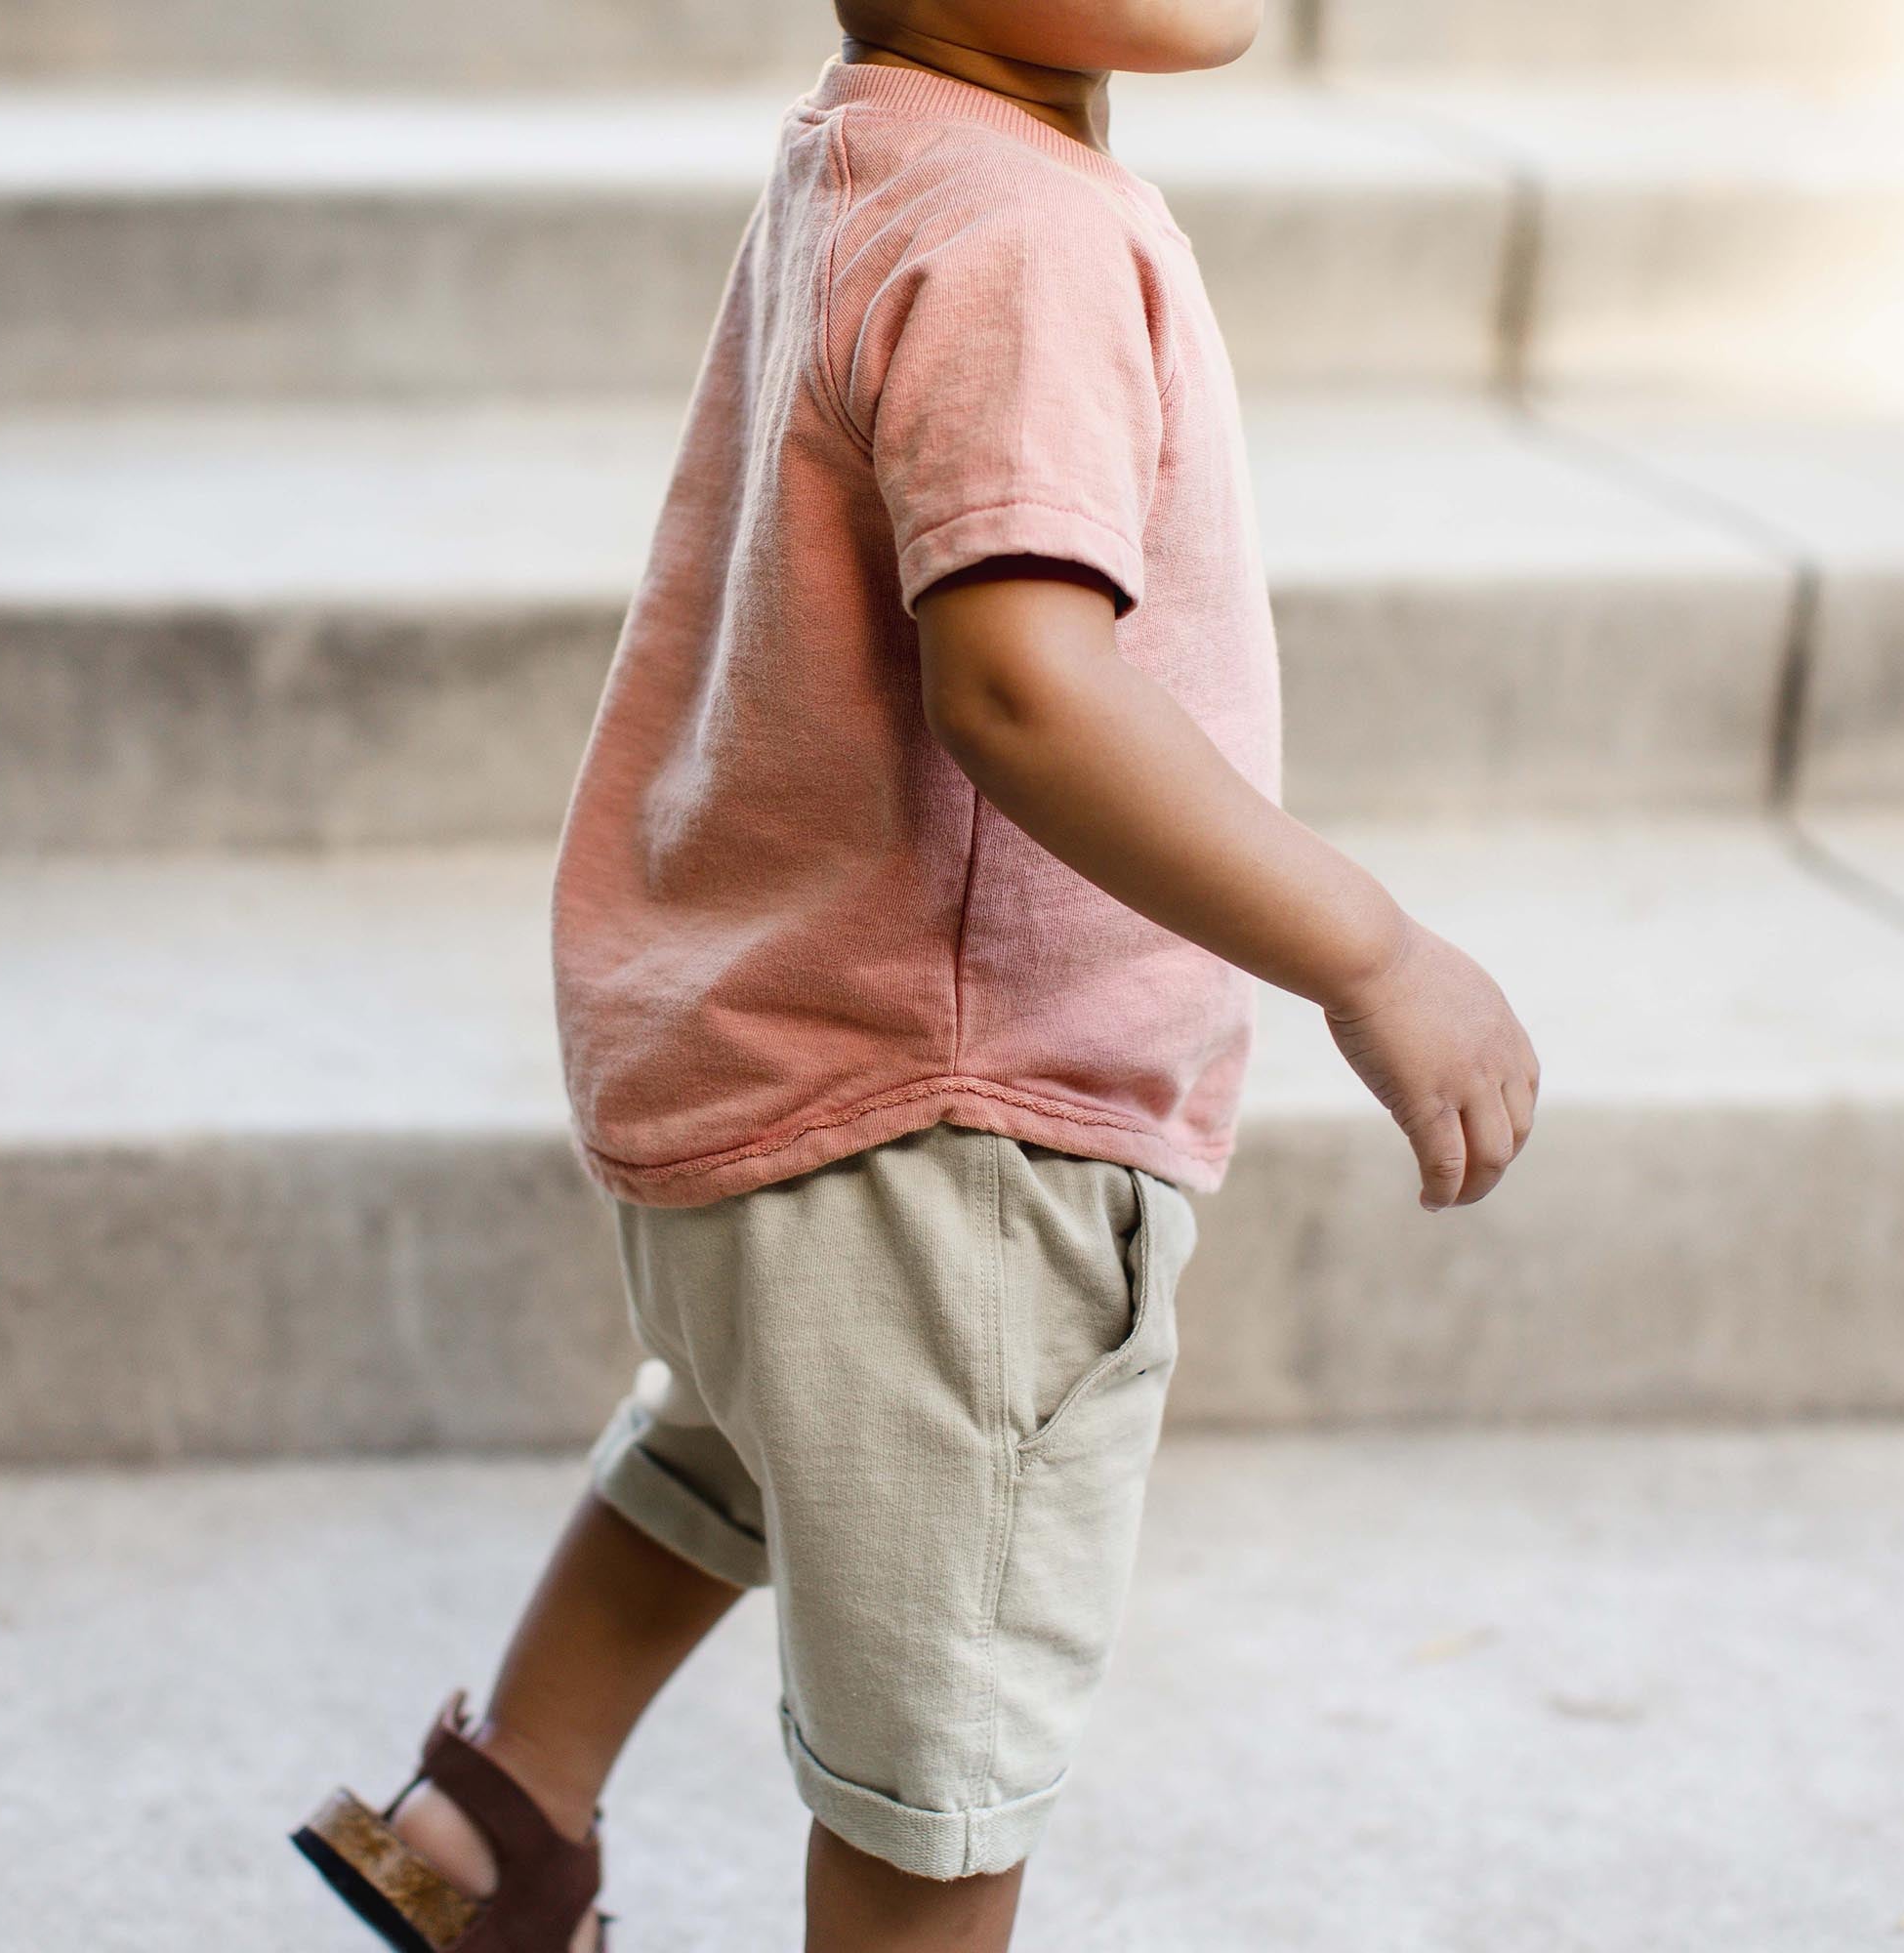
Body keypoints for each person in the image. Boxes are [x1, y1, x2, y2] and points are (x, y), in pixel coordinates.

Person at [291, 4, 1540, 1948]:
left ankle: (483, 1828)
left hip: (785, 1081)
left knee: (735, 1436)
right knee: (937, 1739)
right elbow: (1023, 686)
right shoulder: (1023, 234)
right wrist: (1367, 949)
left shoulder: (868, 156)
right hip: (950, 1130)